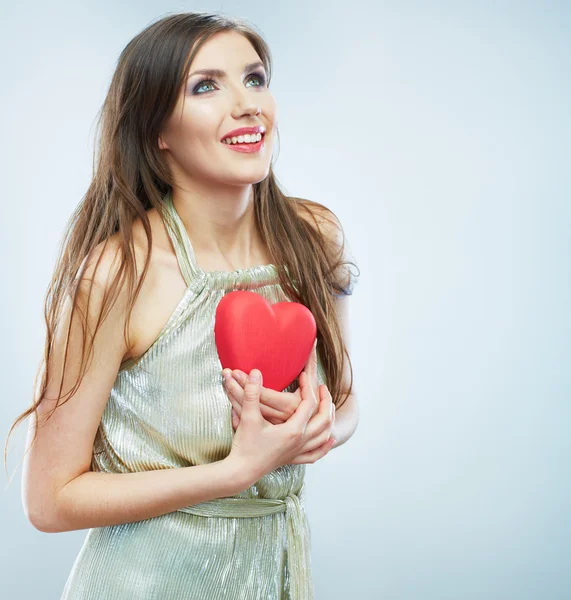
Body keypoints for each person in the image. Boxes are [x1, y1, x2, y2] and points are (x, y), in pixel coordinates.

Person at [5, 11, 359, 600]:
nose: (247, 104)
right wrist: (233, 473)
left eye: (254, 78)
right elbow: (49, 499)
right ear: (157, 130)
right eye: (205, 86)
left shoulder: (314, 239)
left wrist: (322, 428)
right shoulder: (118, 274)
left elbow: (344, 401)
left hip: (275, 577)